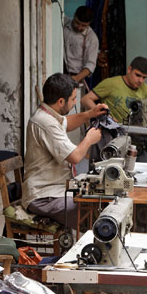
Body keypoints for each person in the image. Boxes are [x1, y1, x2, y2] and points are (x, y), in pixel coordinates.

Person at [22, 73, 106, 227]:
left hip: (55, 189)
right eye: (73, 99)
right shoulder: (46, 123)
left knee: (97, 198)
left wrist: (90, 114)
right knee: (90, 210)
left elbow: (67, 123)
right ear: (61, 101)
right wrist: (89, 138)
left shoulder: (49, 114)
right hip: (43, 196)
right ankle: (82, 247)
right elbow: (75, 156)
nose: (75, 103)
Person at [81, 56, 147, 125]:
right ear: (129, 69)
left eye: (144, 77)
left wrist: (138, 118)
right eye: (138, 75)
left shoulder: (145, 89)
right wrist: (103, 115)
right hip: (113, 132)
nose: (140, 80)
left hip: (136, 132)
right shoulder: (111, 83)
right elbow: (85, 99)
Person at [63, 6, 100, 85]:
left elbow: (90, 65)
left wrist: (76, 79)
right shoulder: (64, 22)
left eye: (83, 25)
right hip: (60, 71)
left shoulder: (92, 39)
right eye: (77, 23)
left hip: (77, 77)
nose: (79, 27)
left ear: (89, 23)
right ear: (74, 15)